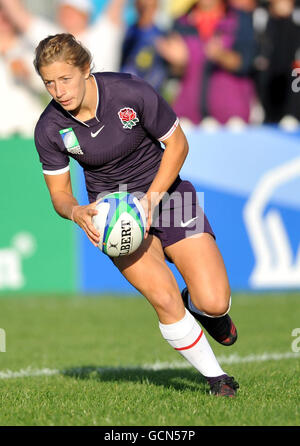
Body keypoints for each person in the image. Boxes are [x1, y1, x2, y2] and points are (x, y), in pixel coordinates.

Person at [33, 33, 239, 397]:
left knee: (214, 301)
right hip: (115, 216)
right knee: (162, 297)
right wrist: (76, 211)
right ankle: (217, 379)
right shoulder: (49, 128)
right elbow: (60, 196)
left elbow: (178, 144)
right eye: (49, 82)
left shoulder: (130, 91)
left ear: (85, 68)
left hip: (170, 195)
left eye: (65, 79)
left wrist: (151, 200)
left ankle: (200, 306)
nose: (58, 90)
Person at [156, 0, 257, 124]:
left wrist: (222, 55)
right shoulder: (181, 22)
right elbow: (173, 74)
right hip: (188, 116)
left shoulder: (240, 19)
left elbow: (246, 63)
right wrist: (178, 63)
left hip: (232, 117)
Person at [0, 0, 125, 72]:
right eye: (63, 10)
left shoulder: (103, 34)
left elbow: (116, 7)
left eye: (72, 10)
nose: (67, 14)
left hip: (104, 110)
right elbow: (18, 14)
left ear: (85, 14)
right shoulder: (53, 36)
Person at [0, 5, 43, 136]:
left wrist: (27, 73)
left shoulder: (30, 45)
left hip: (29, 127)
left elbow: (46, 87)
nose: (3, 19)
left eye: (7, 15)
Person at [121, 0, 169, 93]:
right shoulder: (127, 33)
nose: (145, 9)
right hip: (128, 92)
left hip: (152, 94)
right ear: (136, 6)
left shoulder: (162, 36)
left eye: (150, 6)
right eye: (143, 5)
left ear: (156, 7)